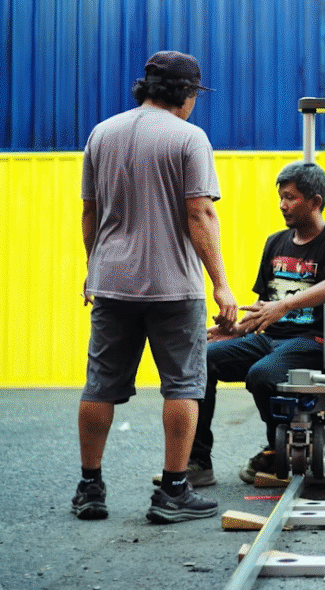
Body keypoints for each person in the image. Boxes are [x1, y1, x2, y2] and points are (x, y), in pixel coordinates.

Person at [74, 51, 237, 524]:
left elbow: (90, 213)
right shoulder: (189, 138)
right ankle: (173, 491)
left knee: (100, 385)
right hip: (173, 286)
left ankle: (90, 488)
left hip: (112, 284)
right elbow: (200, 213)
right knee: (183, 386)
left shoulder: (101, 133)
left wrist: (94, 266)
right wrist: (222, 285)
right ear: (185, 94)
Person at [187, 161, 325, 486]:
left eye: (290, 197)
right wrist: (235, 330)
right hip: (270, 339)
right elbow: (264, 308)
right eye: (281, 197)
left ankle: (278, 450)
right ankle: (197, 462)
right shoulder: (275, 243)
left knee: (263, 374)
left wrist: (286, 305)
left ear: (315, 201)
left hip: (313, 341)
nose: (282, 204)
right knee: (202, 359)